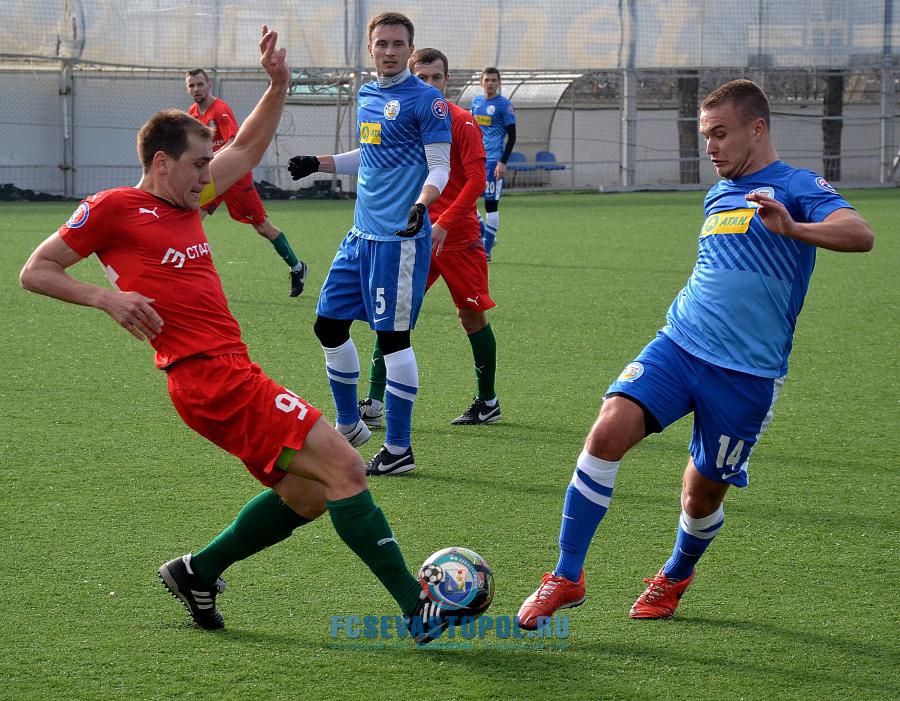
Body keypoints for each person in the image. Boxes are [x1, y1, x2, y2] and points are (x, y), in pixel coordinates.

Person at [19, 27, 450, 645]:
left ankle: (197, 571)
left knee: (308, 495)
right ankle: (418, 609)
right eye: (199, 164)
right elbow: (36, 270)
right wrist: (105, 297)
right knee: (347, 467)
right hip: (206, 375)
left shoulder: (188, 199)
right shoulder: (114, 208)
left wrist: (279, 84)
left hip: (222, 372)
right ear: (161, 163)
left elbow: (246, 148)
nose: (208, 176)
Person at [516, 79, 874, 628]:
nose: (710, 147)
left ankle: (676, 573)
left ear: (758, 128)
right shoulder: (718, 194)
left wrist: (794, 227)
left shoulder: (797, 185)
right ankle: (566, 576)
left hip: (747, 375)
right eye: (706, 135)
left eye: (721, 134)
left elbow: (859, 233)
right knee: (608, 429)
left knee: (700, 497)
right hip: (679, 345)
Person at [287, 12, 452, 476]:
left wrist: (423, 202)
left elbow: (440, 165)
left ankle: (399, 449)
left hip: (398, 241)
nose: (390, 51)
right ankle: (349, 425)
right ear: (370, 49)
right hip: (359, 236)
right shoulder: (367, 94)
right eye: (382, 43)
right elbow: (370, 155)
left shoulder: (427, 101)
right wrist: (319, 163)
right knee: (327, 326)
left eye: (398, 44)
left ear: (410, 49)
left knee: (393, 341)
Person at [359, 48, 500, 428]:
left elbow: (476, 181)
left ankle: (488, 401)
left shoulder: (461, 121)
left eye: (436, 77)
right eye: (421, 78)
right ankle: (373, 402)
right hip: (412, 233)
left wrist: (446, 223)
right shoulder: (401, 119)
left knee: (470, 315)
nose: (429, 84)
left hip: (457, 237)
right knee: (392, 313)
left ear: (446, 81)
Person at [186, 67, 308, 297]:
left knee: (262, 227)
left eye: (200, 84)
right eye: (191, 85)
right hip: (211, 178)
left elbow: (233, 142)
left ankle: (297, 266)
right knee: (190, 220)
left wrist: (210, 161)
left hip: (235, 177)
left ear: (209, 85)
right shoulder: (192, 113)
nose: (196, 89)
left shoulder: (220, 110)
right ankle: (195, 278)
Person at [470, 67, 516, 260]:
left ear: (498, 83)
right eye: (487, 80)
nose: (490, 83)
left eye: (493, 80)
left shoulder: (504, 105)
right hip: (475, 158)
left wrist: (502, 162)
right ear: (481, 82)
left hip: (493, 162)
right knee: (467, 201)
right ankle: (487, 235)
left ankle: (486, 249)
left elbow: (512, 137)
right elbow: (471, 129)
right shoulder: (476, 102)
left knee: (491, 205)